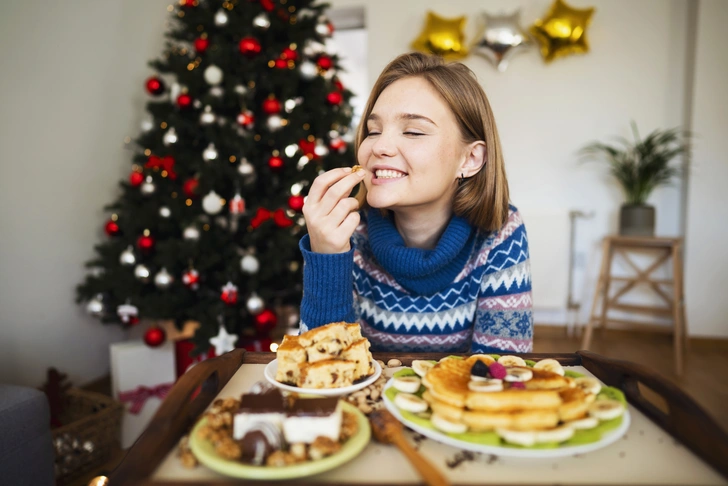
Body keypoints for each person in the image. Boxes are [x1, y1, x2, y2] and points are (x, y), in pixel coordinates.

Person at [298, 52, 533, 353]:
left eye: (413, 131)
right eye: (373, 131)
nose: (379, 147)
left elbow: (504, 376)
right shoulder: (346, 233)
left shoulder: (502, 232)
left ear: (470, 158)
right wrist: (327, 258)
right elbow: (322, 370)